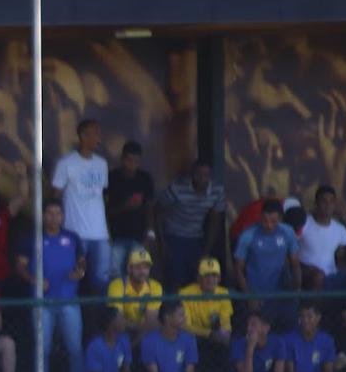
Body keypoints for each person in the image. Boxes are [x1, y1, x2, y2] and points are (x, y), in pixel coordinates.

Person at [16, 199, 87, 372]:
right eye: (49, 213)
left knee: (74, 348)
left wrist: (79, 272)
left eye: (58, 213)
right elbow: (20, 266)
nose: (54, 217)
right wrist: (34, 280)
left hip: (69, 301)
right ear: (42, 215)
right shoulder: (31, 238)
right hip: (42, 303)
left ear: (63, 216)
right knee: (42, 349)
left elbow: (81, 262)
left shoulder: (72, 237)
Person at [52, 119, 110, 291]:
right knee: (74, 278)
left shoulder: (102, 164)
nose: (99, 138)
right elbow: (56, 196)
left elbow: (101, 196)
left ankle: (97, 318)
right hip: (75, 231)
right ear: (83, 136)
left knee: (100, 280)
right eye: (95, 133)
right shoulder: (66, 163)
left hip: (100, 234)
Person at [156, 159, 226, 291]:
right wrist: (162, 242)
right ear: (192, 174)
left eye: (206, 175)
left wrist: (207, 250)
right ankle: (174, 310)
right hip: (174, 235)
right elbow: (158, 210)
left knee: (196, 278)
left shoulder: (217, 190)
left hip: (197, 237)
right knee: (176, 279)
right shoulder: (177, 187)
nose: (202, 179)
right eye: (198, 174)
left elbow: (215, 220)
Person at [233, 199, 301, 327]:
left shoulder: (288, 232)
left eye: (273, 221)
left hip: (280, 294)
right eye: (265, 220)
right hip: (255, 295)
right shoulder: (248, 235)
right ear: (260, 217)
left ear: (281, 219)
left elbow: (295, 264)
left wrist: (297, 288)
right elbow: (238, 269)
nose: (269, 225)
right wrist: (248, 297)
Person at [106, 140, 157, 282]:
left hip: (139, 235)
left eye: (136, 161)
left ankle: (137, 305)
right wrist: (125, 206)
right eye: (129, 160)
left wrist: (150, 231)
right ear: (122, 159)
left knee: (139, 273)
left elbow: (150, 206)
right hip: (116, 236)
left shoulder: (145, 179)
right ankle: (116, 304)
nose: (132, 164)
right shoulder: (112, 177)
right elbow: (105, 209)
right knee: (115, 274)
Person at [298, 185, 346, 291]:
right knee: (318, 276)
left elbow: (342, 256)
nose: (328, 205)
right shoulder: (304, 223)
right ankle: (312, 307)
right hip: (306, 272)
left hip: (330, 274)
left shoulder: (340, 229)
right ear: (316, 203)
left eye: (331, 201)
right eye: (324, 201)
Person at [106, 248, 162, 339]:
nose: (142, 271)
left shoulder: (155, 286)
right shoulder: (117, 285)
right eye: (138, 267)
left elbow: (151, 322)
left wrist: (130, 324)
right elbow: (118, 323)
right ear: (129, 268)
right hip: (121, 334)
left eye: (146, 267)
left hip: (144, 334)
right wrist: (140, 325)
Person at [179, 257, 234, 346]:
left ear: (219, 278)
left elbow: (225, 323)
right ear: (199, 278)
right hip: (194, 338)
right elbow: (185, 326)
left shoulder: (223, 293)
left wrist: (224, 333)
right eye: (206, 275)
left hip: (216, 338)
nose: (211, 279)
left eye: (214, 275)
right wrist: (208, 333)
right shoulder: (185, 293)